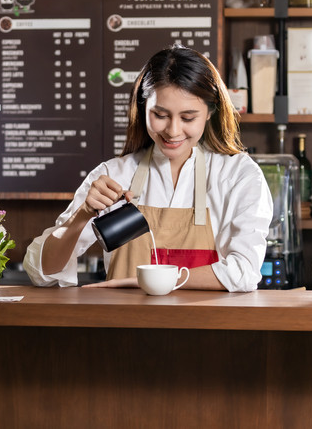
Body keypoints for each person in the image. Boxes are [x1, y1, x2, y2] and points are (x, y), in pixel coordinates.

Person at [23, 46, 273, 293]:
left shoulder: (238, 175)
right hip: (124, 328)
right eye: (160, 114)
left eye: (188, 118)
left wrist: (144, 281)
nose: (173, 131)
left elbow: (244, 273)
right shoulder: (114, 175)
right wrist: (82, 217)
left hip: (207, 329)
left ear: (210, 112)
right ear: (143, 108)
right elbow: (41, 273)